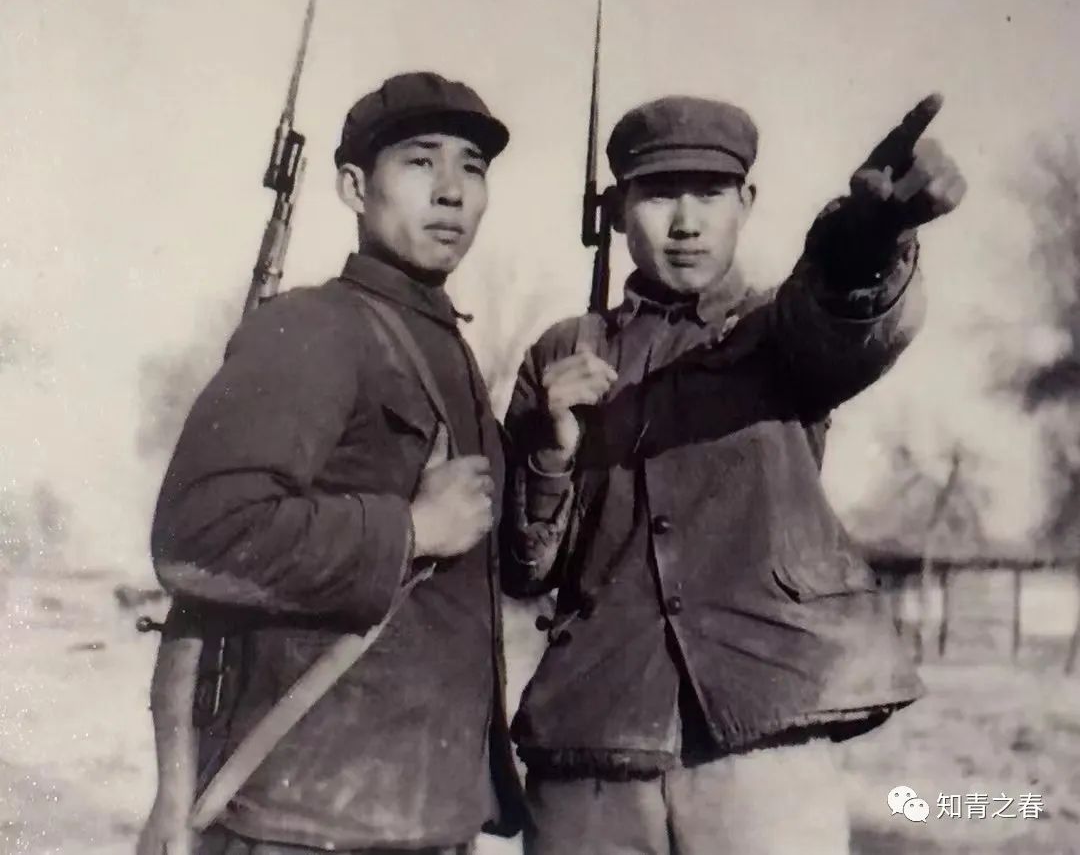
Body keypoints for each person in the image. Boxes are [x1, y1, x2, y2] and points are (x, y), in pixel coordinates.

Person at [502, 92, 966, 854]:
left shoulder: (778, 328)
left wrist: (869, 235)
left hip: (764, 754)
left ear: (746, 203)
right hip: (591, 756)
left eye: (711, 193)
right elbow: (525, 572)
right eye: (659, 194)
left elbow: (845, 312)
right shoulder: (561, 354)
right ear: (615, 210)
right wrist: (551, 449)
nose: (686, 222)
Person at [149, 72, 525, 854]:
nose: (452, 191)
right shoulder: (316, 327)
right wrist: (409, 531)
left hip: (424, 815)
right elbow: (199, 535)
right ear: (355, 187)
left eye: (473, 167)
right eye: (420, 162)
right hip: (303, 821)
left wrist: (550, 451)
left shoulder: (444, 347)